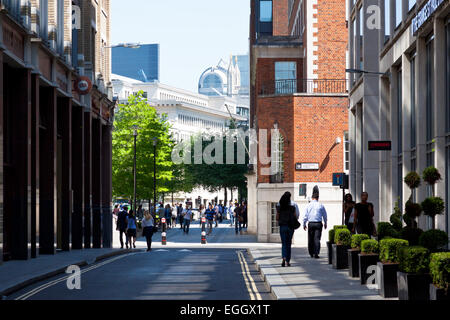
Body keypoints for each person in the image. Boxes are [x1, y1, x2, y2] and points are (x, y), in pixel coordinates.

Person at [303, 186, 328, 259]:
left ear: (312, 198)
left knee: (310, 239)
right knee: (317, 239)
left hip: (311, 223)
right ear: (318, 198)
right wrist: (325, 223)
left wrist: (304, 224)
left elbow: (305, 216)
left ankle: (311, 253)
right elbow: (324, 215)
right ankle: (316, 253)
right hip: (318, 223)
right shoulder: (321, 205)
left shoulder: (308, 205)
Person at [276, 192, 298, 267]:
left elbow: (277, 218)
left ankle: (284, 257)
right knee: (289, 243)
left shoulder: (279, 207)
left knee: (284, 243)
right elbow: (296, 216)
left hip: (283, 226)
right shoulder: (293, 207)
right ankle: (288, 261)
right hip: (290, 227)